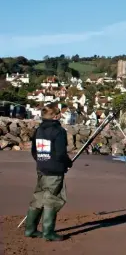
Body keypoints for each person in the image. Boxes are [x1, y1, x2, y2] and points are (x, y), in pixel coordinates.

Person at [24, 103, 73, 241]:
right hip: (54, 170)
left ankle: (30, 229)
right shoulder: (59, 131)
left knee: (38, 197)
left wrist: (41, 161)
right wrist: (67, 163)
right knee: (52, 199)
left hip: (41, 167)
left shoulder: (39, 129)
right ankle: (48, 232)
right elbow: (60, 153)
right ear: (56, 116)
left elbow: (34, 151)